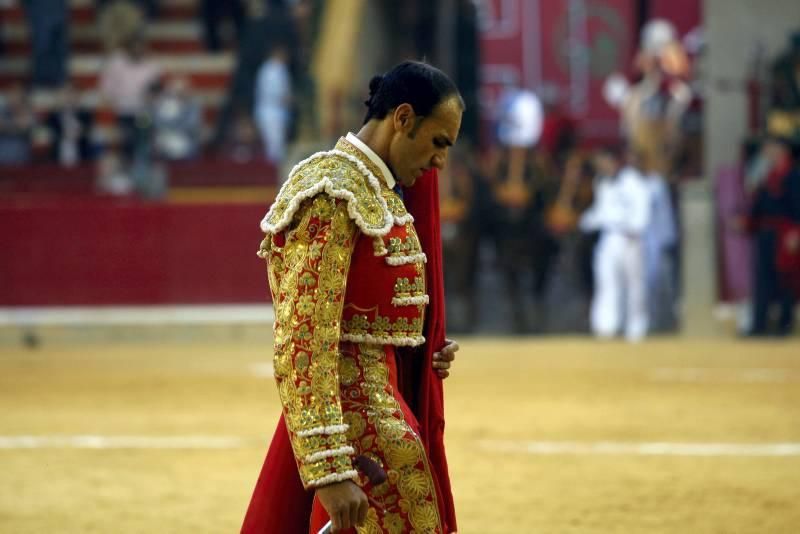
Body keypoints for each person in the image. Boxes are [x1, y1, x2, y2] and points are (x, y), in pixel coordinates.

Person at [242, 61, 462, 534]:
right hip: (354, 430)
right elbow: (302, 337)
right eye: (438, 142)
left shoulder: (379, 191)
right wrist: (329, 469)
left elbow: (366, 317)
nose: (440, 162)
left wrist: (421, 351)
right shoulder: (331, 191)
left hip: (379, 417)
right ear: (403, 118)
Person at [580, 146, 652, 342]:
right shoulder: (602, 182)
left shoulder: (632, 181)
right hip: (608, 238)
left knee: (634, 284)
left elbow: (642, 209)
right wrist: (585, 221)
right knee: (606, 282)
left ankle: (636, 327)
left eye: (603, 161)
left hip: (629, 237)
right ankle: (606, 325)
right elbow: (601, 212)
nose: (601, 166)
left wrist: (635, 230)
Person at [742, 138, 800, 336]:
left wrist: (795, 232)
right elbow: (759, 204)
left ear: (782, 151)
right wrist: (749, 221)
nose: (766, 153)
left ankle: (784, 323)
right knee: (762, 279)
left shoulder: (793, 175)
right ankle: (759, 323)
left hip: (785, 234)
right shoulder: (766, 175)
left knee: (785, 279)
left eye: (770, 148)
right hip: (766, 232)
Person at [254, 42, 292, 165]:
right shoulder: (270, 70)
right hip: (270, 111)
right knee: (274, 145)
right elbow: (272, 92)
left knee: (279, 144)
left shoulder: (280, 69)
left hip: (278, 111)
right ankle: (272, 174)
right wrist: (286, 98)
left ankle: (276, 172)